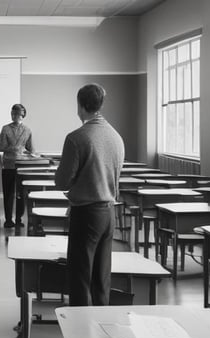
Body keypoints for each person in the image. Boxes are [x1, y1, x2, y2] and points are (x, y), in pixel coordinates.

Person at [54, 83, 124, 306]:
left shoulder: (76, 138)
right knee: (101, 277)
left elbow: (62, 181)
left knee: (80, 276)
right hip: (109, 213)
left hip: (86, 213)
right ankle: (100, 324)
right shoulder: (116, 137)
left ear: (81, 105)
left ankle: (81, 330)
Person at [0, 104, 34, 228]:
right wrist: (11, 148)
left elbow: (31, 148)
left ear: (23, 115)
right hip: (8, 164)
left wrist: (33, 154)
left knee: (21, 194)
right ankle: (8, 219)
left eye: (17, 114)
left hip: (22, 166)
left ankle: (18, 218)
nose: (15, 116)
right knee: (8, 193)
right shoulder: (5, 129)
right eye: (13, 113)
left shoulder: (27, 130)